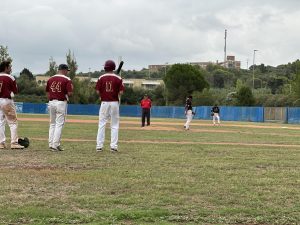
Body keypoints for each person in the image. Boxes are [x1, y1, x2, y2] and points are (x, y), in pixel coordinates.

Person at [95, 60, 124, 152]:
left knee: (102, 124)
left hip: (104, 102)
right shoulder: (118, 78)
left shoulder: (101, 77)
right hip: (114, 102)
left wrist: (102, 95)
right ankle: (113, 146)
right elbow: (121, 92)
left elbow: (97, 91)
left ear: (105, 67)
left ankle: (99, 146)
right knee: (114, 125)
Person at [46, 64, 73, 151]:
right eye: (67, 71)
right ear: (64, 70)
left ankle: (51, 143)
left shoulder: (50, 79)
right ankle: (55, 145)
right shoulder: (67, 79)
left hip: (51, 102)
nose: (67, 73)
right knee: (59, 124)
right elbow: (70, 93)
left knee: (52, 123)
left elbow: (47, 92)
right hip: (61, 102)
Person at [0, 61, 24, 149]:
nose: (11, 69)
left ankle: (1, 143)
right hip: (6, 101)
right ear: (6, 67)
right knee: (13, 122)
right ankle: (14, 142)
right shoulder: (10, 77)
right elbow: (15, 91)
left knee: (0, 122)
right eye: (10, 67)